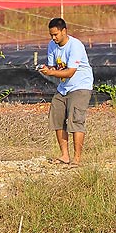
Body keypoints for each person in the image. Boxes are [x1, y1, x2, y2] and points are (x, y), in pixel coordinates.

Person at [37, 17, 94, 166]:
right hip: (64, 87)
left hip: (80, 85)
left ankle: (77, 159)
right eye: (51, 35)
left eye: (56, 34)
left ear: (64, 31)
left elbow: (70, 72)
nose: (53, 38)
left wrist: (51, 73)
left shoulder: (75, 46)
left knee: (75, 120)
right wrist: (46, 69)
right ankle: (65, 156)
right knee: (57, 116)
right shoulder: (52, 45)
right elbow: (54, 67)